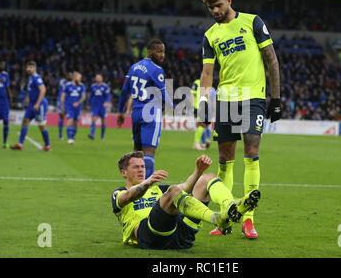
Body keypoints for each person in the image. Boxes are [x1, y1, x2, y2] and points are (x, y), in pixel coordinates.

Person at [198, 0, 282, 239]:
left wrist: (276, 98)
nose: (215, 10)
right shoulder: (211, 35)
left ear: (229, 0)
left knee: (252, 152)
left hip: (253, 98)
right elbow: (208, 72)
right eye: (211, 7)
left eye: (218, 5)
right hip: (226, 101)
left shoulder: (253, 22)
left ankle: (248, 218)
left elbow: (271, 59)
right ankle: (225, 216)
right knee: (225, 159)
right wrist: (203, 105)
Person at [111, 151, 261, 249]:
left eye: (142, 166)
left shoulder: (157, 190)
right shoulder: (119, 193)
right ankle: (216, 218)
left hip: (180, 237)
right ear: (124, 172)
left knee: (207, 178)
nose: (141, 170)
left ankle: (229, 207)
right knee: (174, 191)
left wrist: (198, 171)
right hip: (151, 237)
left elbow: (186, 187)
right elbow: (129, 197)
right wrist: (147, 183)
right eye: (136, 167)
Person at [117, 39, 174, 179]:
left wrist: (120, 111)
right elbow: (162, 93)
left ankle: (134, 186)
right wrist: (173, 108)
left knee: (137, 152)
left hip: (136, 113)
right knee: (149, 152)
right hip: (151, 112)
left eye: (163, 52)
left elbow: (124, 92)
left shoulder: (133, 67)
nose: (162, 55)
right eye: (159, 51)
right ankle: (145, 189)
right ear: (150, 51)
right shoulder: (156, 69)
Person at [11, 61, 51, 151]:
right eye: (28, 67)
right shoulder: (31, 78)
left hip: (39, 104)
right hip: (31, 104)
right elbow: (33, 90)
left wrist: (37, 103)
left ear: (35, 68)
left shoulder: (37, 78)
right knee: (25, 121)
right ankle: (20, 144)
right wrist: (28, 97)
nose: (29, 69)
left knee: (41, 125)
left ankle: (48, 146)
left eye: (31, 67)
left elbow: (43, 90)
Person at [61, 71, 86, 145]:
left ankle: (72, 135)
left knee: (75, 123)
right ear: (74, 77)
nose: (80, 79)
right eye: (79, 77)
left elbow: (83, 97)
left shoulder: (81, 86)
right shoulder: (67, 85)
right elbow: (62, 97)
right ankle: (70, 138)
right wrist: (62, 107)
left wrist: (78, 103)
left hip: (78, 108)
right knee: (69, 121)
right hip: (69, 107)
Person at [191, 79, 215, 150]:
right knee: (202, 125)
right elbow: (192, 94)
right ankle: (197, 143)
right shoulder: (197, 83)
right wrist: (192, 106)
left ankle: (198, 142)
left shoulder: (208, 86)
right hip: (198, 107)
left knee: (203, 125)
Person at [87, 73, 111, 140]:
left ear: (102, 78)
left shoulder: (105, 86)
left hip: (102, 106)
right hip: (95, 106)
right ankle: (92, 134)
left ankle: (102, 136)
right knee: (93, 119)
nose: (98, 79)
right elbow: (90, 96)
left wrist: (106, 102)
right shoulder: (93, 86)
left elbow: (108, 96)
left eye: (99, 77)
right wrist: (88, 104)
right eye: (97, 77)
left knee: (103, 121)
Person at [57, 72, 73, 140]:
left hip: (69, 101)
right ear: (66, 76)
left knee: (70, 118)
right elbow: (64, 87)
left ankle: (70, 134)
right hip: (61, 101)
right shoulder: (62, 81)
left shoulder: (71, 83)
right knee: (61, 116)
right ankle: (60, 134)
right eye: (69, 75)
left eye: (71, 75)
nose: (71, 76)